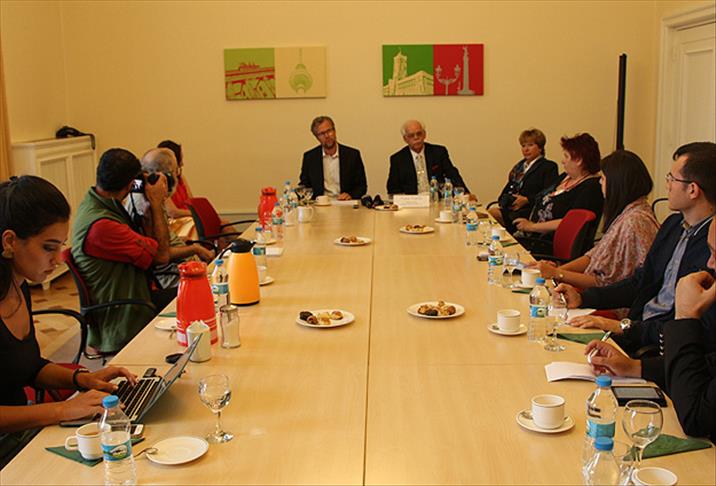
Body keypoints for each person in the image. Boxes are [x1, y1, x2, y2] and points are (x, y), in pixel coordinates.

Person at [0, 175, 136, 467]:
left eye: (60, 246)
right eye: (48, 247)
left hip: (20, 434)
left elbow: (28, 368)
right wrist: (62, 410)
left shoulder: (18, 286)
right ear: (9, 241)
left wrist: (83, 379)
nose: (58, 259)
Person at [558, 142, 716, 378]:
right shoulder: (673, 225)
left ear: (692, 190)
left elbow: (693, 328)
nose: (667, 185)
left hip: (660, 351)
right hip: (637, 331)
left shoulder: (711, 247)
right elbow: (641, 281)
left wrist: (624, 328)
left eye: (672, 179)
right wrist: (583, 298)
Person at [586, 215, 715, 441]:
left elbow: (695, 418)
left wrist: (685, 317)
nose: (710, 264)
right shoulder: (674, 225)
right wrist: (633, 367)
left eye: (715, 253)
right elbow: (708, 366)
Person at [72, 148, 174, 353]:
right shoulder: (103, 226)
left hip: (132, 299)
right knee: (196, 295)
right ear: (130, 184)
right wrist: (156, 203)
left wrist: (147, 212)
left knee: (195, 289)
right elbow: (162, 256)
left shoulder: (97, 204)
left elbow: (150, 244)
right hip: (123, 317)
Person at [532, 150, 659, 295]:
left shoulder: (634, 222)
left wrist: (557, 273)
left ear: (617, 183)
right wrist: (556, 270)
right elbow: (592, 256)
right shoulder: (630, 212)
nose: (599, 182)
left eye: (603, 178)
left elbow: (606, 284)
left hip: (605, 300)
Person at [126, 148, 215, 289]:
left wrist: (181, 241)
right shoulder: (147, 206)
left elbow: (162, 241)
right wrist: (194, 249)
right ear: (165, 177)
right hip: (173, 278)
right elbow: (160, 254)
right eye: (175, 171)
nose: (177, 177)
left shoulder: (148, 197)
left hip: (185, 268)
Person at [513, 133, 604, 253]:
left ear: (579, 160)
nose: (562, 161)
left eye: (566, 156)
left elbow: (571, 223)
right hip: (533, 236)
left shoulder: (591, 187)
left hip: (550, 245)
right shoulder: (565, 176)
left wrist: (531, 227)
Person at [489, 128, 558, 232]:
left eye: (530, 145)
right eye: (523, 146)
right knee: (488, 214)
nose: (526, 149)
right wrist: (505, 201)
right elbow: (507, 189)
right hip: (512, 209)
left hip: (530, 210)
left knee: (492, 214)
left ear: (540, 147)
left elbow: (549, 194)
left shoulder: (548, 166)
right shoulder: (518, 167)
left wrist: (526, 200)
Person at [387, 119, 470, 196]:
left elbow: (453, 175)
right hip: (412, 202)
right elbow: (392, 188)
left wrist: (465, 193)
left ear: (424, 135)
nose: (416, 138)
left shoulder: (438, 152)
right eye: (411, 135)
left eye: (419, 133)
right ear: (405, 139)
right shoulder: (398, 159)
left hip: (436, 199)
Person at [299, 116, 367, 200]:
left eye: (329, 131)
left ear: (334, 131)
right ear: (316, 137)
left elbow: (362, 186)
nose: (327, 136)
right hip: (320, 204)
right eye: (322, 134)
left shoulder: (352, 155)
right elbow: (304, 186)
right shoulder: (310, 157)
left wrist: (351, 195)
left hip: (345, 203)